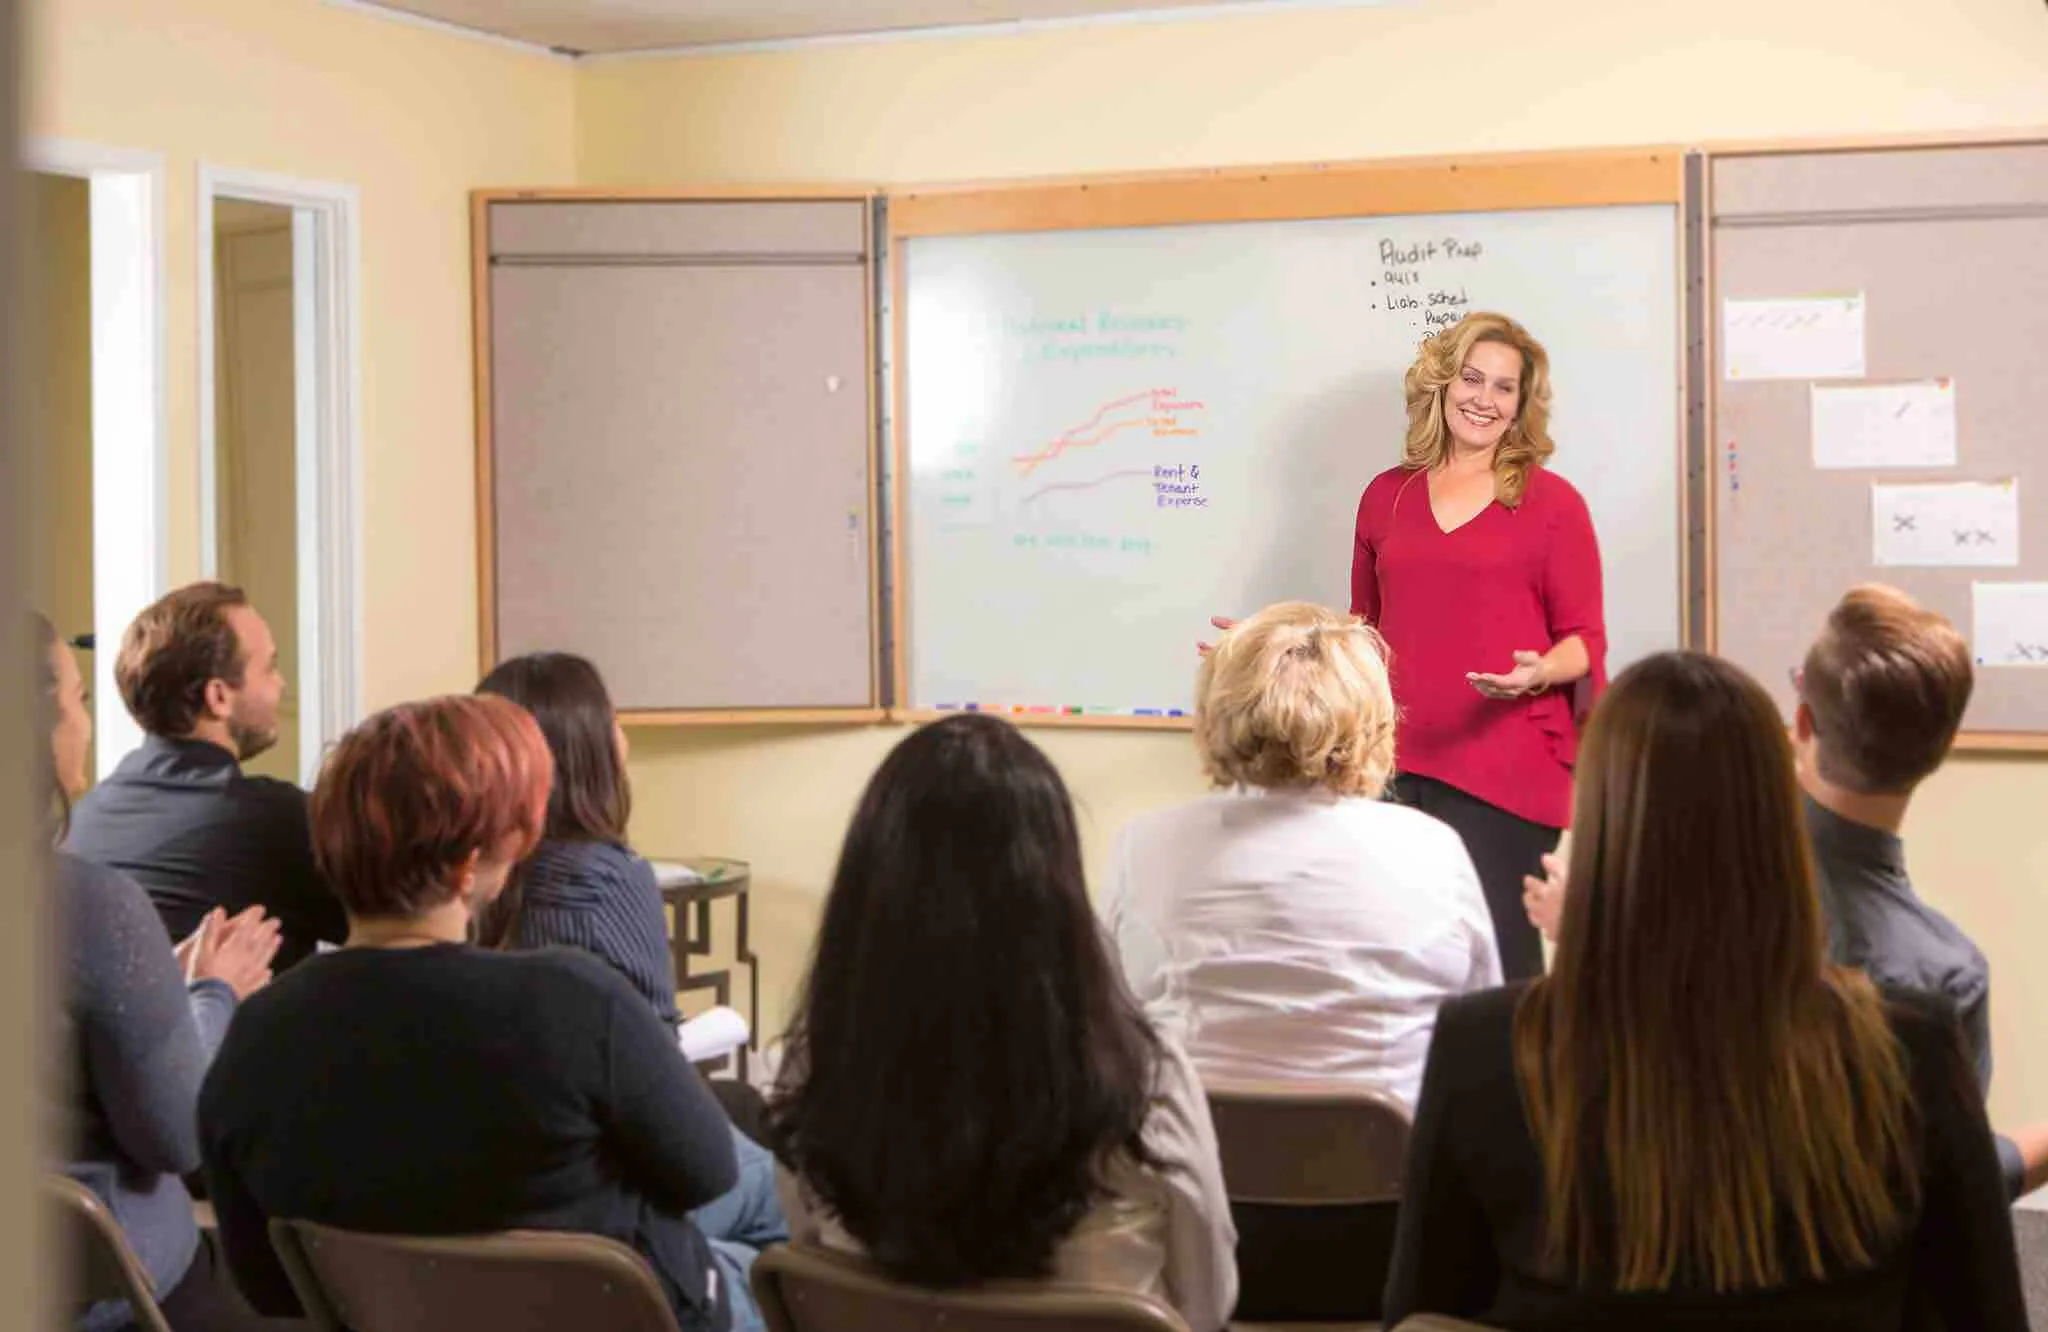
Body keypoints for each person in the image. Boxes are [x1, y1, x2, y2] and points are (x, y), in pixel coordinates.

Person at [1386, 651, 2026, 1330]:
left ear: (1603, 822)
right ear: (1776, 815)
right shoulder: (1909, 1050)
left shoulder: (1485, 1049)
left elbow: (1422, 1316)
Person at [198, 696, 751, 1332]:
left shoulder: (255, 1030)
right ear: (467, 867)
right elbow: (709, 1176)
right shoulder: (577, 1001)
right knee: (761, 1233)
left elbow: (268, 1286)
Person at [1526, 583, 2048, 1197]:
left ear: (1802, 719)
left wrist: (1593, 928)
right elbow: (1939, 1188)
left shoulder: (1681, 875)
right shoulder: (1945, 973)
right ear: (1942, 747)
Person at [771, 714, 1238, 1332]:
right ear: (1061, 895)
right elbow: (1208, 1304)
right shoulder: (1146, 1080)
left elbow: (811, 1256)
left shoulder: (813, 1070)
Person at [1109, 601, 1498, 1111]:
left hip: (1200, 1175)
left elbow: (1109, 1022)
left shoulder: (1147, 845)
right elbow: (1479, 1033)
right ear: (1376, 722)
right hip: (1394, 1178)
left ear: (1216, 715)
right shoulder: (1434, 851)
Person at [476, 651, 790, 1274]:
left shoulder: (477, 879)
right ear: (586, 746)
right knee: (770, 1188)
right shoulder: (611, 881)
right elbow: (655, 1074)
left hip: (512, 1180)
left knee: (737, 1109)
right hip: (607, 1188)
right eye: (613, 717)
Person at [39, 613, 289, 1332]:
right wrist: (215, 993)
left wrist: (159, 991)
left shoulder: (94, 831)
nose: (87, 724)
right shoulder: (92, 902)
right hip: (113, 1299)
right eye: (78, 702)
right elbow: (175, 1136)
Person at [1348, 312, 1604, 982]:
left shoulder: (1554, 504)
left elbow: (1585, 641)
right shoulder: (1384, 496)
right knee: (1398, 964)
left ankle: (1520, 1090)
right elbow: (1363, 629)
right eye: (1471, 378)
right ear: (1442, 382)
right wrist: (1276, 646)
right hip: (1393, 764)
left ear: (1522, 404)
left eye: (1504, 387)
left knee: (1499, 967)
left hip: (1508, 765)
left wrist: (1540, 670)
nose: (1484, 399)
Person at [66, 582, 345, 969]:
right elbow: (402, 924)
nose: (280, 684)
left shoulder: (85, 815)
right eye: (269, 668)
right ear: (218, 697)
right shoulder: (276, 822)